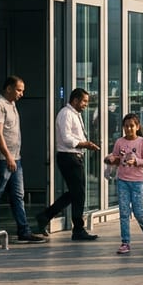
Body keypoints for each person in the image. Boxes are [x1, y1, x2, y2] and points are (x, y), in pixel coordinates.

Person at [37, 88, 100, 240]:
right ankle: (77, 228)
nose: (86, 104)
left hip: (75, 157)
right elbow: (66, 138)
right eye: (84, 101)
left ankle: (46, 216)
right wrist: (85, 144)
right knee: (78, 193)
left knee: (76, 193)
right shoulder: (66, 114)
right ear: (75, 100)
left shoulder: (74, 114)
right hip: (69, 156)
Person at [0, 76, 44, 243]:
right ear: (8, 88)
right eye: (19, 90)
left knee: (18, 195)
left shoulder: (12, 104)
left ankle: (24, 230)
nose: (21, 94)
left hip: (16, 158)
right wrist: (7, 156)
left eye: (23, 91)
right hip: (4, 159)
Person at [107, 113, 143, 255]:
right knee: (124, 212)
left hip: (137, 182)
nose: (129, 129)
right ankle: (125, 242)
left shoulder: (142, 142)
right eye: (126, 126)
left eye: (132, 126)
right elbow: (115, 157)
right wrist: (111, 159)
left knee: (138, 211)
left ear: (137, 127)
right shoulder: (119, 142)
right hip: (122, 181)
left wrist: (136, 161)